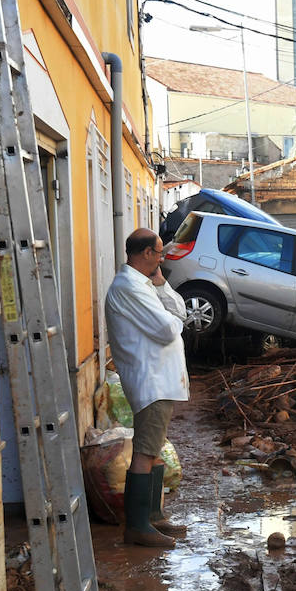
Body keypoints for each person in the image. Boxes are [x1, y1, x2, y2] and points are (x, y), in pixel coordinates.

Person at [104, 229, 190, 548]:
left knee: (152, 450)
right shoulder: (128, 287)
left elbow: (178, 312)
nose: (162, 258)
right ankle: (138, 526)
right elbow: (168, 329)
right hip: (149, 378)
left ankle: (153, 517)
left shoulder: (143, 284)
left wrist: (161, 283)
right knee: (144, 451)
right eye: (158, 253)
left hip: (160, 379)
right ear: (145, 254)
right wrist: (172, 321)